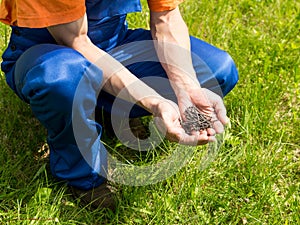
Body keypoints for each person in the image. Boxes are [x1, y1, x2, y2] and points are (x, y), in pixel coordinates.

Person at [0, 0, 238, 211]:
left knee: (216, 69)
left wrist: (188, 88)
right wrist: (153, 100)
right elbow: (77, 42)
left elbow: (166, 18)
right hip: (54, 53)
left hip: (114, 47)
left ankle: (105, 110)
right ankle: (83, 176)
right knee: (63, 79)